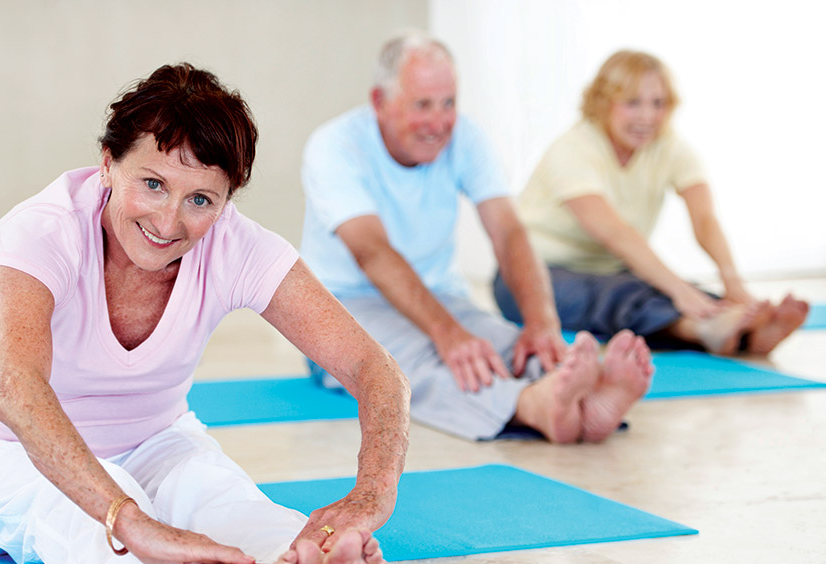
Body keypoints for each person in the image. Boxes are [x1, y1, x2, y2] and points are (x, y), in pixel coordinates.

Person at [0, 64, 407, 564]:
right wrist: (126, 518)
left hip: (155, 437)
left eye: (200, 199)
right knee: (82, 515)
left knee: (220, 497)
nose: (168, 221)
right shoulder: (39, 232)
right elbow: (16, 391)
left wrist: (372, 494)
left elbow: (373, 365)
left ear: (226, 201)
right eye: (151, 184)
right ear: (108, 162)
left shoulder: (234, 244)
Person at [300, 32, 653, 444]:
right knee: (415, 363)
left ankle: (585, 402)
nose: (439, 122)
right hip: (342, 307)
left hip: (438, 294)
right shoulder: (334, 146)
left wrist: (541, 323)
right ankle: (535, 407)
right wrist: (448, 334)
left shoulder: (466, 137)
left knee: (506, 344)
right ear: (380, 102)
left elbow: (508, 231)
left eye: (448, 103)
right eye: (422, 105)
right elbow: (372, 251)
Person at [497, 49, 809, 355]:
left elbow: (704, 219)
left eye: (658, 103)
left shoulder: (669, 146)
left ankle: (745, 334)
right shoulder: (573, 149)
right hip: (529, 274)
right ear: (603, 102)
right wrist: (679, 290)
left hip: (613, 268)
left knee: (685, 293)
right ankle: (705, 329)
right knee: (626, 294)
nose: (647, 116)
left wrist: (732, 283)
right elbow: (615, 233)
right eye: (633, 103)